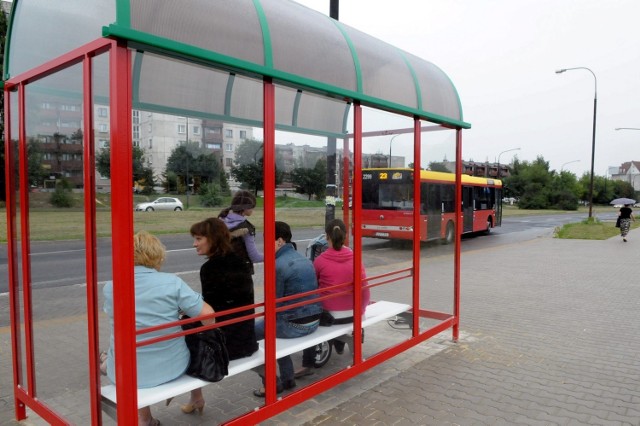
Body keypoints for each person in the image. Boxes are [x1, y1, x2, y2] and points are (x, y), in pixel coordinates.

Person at [102, 231, 215, 426]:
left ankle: (145, 419)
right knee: (189, 337)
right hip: (173, 366)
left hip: (126, 372)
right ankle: (197, 398)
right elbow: (208, 316)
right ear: (156, 255)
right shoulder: (171, 282)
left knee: (121, 355)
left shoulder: (111, 287)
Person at [178, 218, 260, 415]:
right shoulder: (240, 260)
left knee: (182, 335)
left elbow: (211, 313)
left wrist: (186, 313)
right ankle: (195, 398)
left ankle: (196, 397)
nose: (194, 244)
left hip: (225, 347)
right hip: (246, 339)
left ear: (213, 239)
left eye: (198, 238)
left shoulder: (210, 268)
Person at [253, 221, 323, 397]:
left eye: (267, 240)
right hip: (314, 321)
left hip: (294, 326)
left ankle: (273, 381)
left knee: (254, 332)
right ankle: (288, 377)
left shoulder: (277, 265)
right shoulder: (305, 260)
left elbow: (273, 305)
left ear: (279, 241)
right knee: (273, 326)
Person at [296, 219, 371, 378]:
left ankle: (308, 363)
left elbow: (313, 288)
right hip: (353, 315)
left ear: (326, 237)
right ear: (344, 237)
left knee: (309, 314)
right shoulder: (356, 258)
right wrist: (361, 311)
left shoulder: (320, 260)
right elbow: (365, 291)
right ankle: (340, 342)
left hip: (329, 317)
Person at [218, 190, 264, 273]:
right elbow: (254, 257)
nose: (253, 209)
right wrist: (273, 255)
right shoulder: (246, 228)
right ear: (245, 207)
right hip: (239, 273)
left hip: (219, 269)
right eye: (252, 206)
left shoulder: (220, 220)